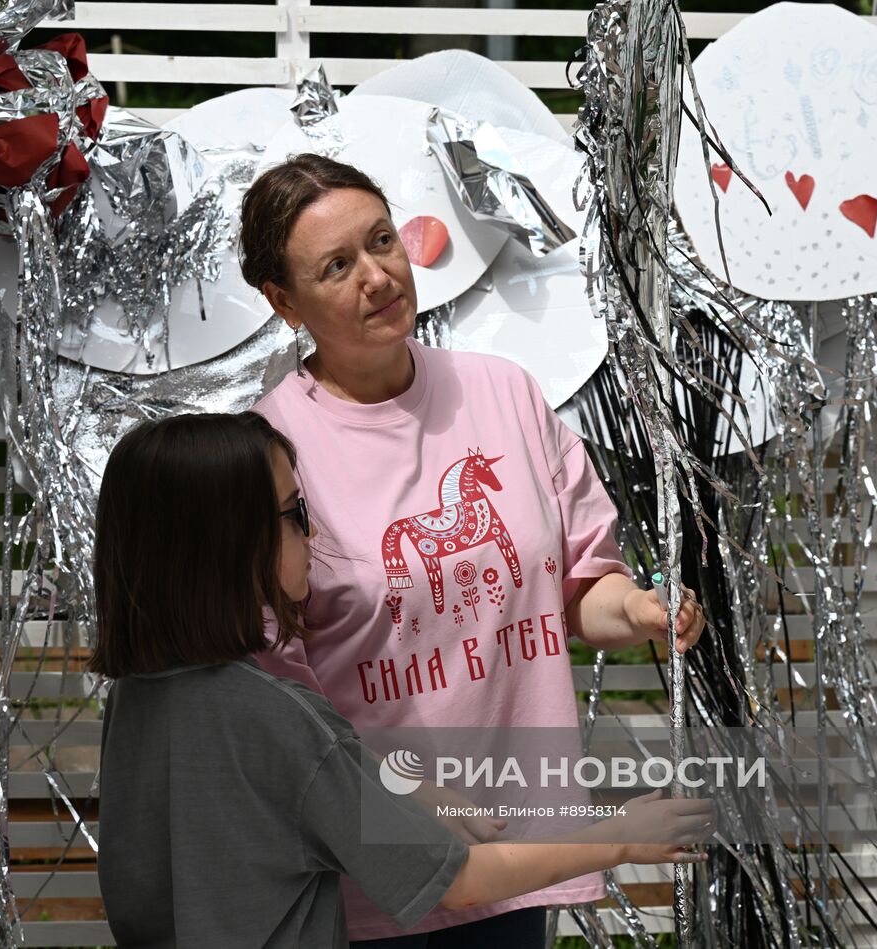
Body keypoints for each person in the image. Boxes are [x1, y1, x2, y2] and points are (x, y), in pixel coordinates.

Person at [240, 154, 708, 946]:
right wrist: (403, 792)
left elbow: (578, 585)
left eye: (383, 240)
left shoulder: (506, 393)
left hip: (526, 843)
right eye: (337, 266)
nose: (378, 276)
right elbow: (273, 698)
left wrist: (637, 607)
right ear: (285, 302)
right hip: (379, 870)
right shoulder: (269, 451)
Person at [90, 412, 715, 947]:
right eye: (294, 513)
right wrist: (619, 839)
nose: (313, 534)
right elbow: (457, 880)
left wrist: (415, 797)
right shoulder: (277, 716)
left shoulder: (138, 700)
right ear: (223, 543)